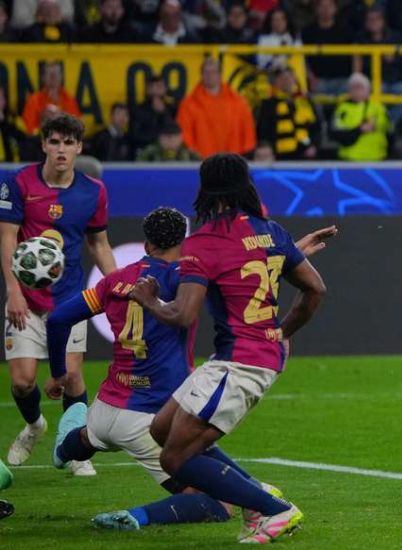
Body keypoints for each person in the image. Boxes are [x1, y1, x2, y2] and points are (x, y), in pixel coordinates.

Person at [45, 207, 336, 530]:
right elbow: (244, 275)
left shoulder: (114, 281)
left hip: (105, 407)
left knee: (86, 438)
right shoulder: (185, 277)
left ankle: (63, 451)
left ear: (146, 244)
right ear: (185, 243)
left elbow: (57, 320)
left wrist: (59, 374)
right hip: (150, 418)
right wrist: (289, 255)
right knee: (218, 501)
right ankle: (136, 517)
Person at [128, 153, 326, 543]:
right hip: (242, 356)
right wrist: (281, 333)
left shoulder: (203, 242)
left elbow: (183, 315)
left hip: (241, 362)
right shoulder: (270, 230)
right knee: (160, 429)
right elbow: (315, 289)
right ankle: (254, 498)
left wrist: (149, 300)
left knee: (174, 457)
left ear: (205, 189)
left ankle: (275, 510)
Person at [0, 114, 117, 477]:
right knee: (22, 382)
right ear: (44, 145)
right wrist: (14, 291)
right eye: (55, 142)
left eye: (69, 142)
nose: (61, 150)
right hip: (26, 300)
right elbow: (7, 237)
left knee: (71, 375)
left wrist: (119, 285)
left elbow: (99, 243)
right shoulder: (19, 182)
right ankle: (35, 425)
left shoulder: (93, 191)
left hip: (69, 299)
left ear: (79, 147)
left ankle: (77, 451)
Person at [176, 57, 257, 158]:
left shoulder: (238, 102)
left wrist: (245, 155)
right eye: (206, 72)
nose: (210, 76)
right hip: (201, 161)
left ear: (220, 74)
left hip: (232, 160)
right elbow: (185, 134)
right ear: (201, 75)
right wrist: (193, 156)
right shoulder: (188, 104)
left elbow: (248, 132)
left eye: (213, 72)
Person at [255, 67, 319, 161]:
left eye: (290, 77)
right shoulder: (268, 104)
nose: (287, 81)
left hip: (304, 155)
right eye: (283, 78)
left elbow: (316, 127)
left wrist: (313, 145)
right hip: (278, 157)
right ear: (275, 82)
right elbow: (263, 130)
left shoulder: (305, 102)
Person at [330, 73, 390, 162]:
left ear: (368, 90)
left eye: (360, 87)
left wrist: (374, 125)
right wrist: (359, 130)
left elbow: (386, 125)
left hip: (376, 157)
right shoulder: (341, 109)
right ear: (349, 91)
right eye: (354, 88)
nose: (357, 91)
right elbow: (336, 130)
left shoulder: (378, 107)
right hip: (349, 158)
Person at [301, 0, 354, 95]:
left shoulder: (346, 30)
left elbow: (355, 55)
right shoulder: (307, 32)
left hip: (343, 80)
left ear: (335, 8)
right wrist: (310, 77)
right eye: (322, 6)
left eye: (329, 6)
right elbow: (303, 58)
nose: (326, 10)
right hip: (318, 81)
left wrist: (353, 78)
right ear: (316, 9)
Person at [21, 62, 82, 134]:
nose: (53, 78)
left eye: (56, 74)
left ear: (61, 77)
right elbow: (29, 129)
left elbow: (77, 129)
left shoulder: (69, 100)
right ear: (43, 78)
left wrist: (62, 117)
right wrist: (42, 119)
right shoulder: (34, 101)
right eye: (49, 74)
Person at [129, 74, 177, 155]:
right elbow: (135, 135)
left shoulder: (173, 109)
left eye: (159, 87)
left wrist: (163, 113)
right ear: (146, 90)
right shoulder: (137, 110)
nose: (155, 91)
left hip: (169, 154)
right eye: (151, 87)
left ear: (165, 89)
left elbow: (174, 131)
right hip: (145, 153)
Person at [76, 0, 141, 42]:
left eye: (117, 7)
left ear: (123, 10)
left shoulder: (133, 35)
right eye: (110, 7)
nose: (114, 12)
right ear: (101, 8)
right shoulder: (88, 34)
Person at [136, 122, 200, 162]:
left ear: (181, 138)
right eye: (166, 136)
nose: (170, 140)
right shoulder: (148, 154)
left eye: (174, 136)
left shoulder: (192, 156)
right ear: (159, 138)